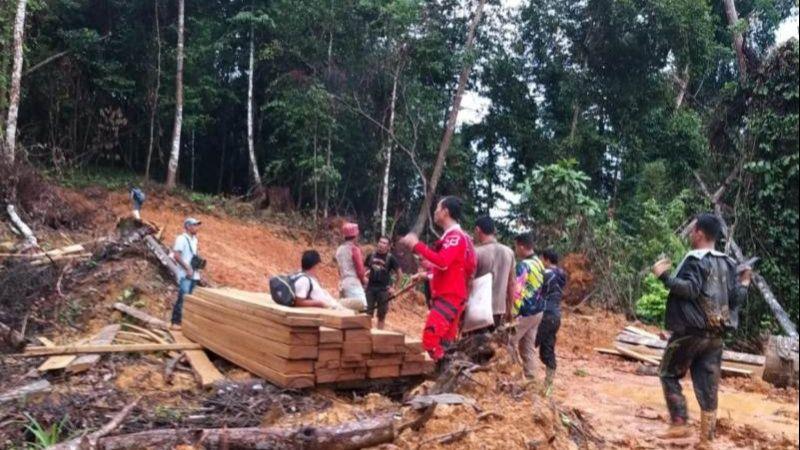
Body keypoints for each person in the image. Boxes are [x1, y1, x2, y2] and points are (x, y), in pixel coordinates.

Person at [651, 213, 751, 446]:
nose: (691, 234)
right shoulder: (729, 263)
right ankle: (706, 440)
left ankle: (679, 424)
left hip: (690, 331)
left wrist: (664, 276)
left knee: (668, 373)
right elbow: (736, 300)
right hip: (716, 336)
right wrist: (745, 282)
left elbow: (690, 290)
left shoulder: (696, 260)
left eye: (693, 230)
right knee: (708, 386)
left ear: (699, 233)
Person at [399, 196, 476, 362]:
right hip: (454, 295)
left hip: (449, 296)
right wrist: (427, 274)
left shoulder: (455, 237)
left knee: (430, 340)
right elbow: (461, 267)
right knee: (445, 342)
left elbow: (442, 262)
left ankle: (447, 372)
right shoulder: (460, 238)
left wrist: (416, 245)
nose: (435, 213)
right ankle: (447, 376)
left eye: (437, 209)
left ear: (445, 212)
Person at [509, 232, 546, 380]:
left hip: (525, 312)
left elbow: (517, 291)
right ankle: (531, 379)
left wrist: (512, 312)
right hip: (538, 311)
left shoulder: (524, 266)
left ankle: (513, 374)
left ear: (522, 246)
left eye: (516, 247)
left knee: (509, 342)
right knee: (527, 346)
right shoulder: (539, 262)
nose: (515, 250)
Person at [473, 215, 516, 327]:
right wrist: (510, 309)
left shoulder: (476, 252)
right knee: (492, 343)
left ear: (478, 230)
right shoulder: (509, 252)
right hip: (498, 311)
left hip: (477, 310)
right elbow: (511, 284)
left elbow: (468, 281)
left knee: (474, 343)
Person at [536, 249, 567, 392]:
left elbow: (536, 290)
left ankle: (527, 379)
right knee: (547, 349)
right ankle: (548, 385)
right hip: (556, 316)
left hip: (545, 314)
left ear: (546, 260)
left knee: (528, 344)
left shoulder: (546, 274)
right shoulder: (562, 274)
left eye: (542, 259)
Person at [364, 236, 403, 329]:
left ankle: (379, 337)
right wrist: (364, 281)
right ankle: (367, 336)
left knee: (381, 316)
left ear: (388, 246)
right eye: (380, 242)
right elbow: (364, 270)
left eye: (384, 243)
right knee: (367, 315)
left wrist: (394, 288)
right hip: (370, 289)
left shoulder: (391, 258)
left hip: (383, 291)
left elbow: (400, 274)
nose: (381, 244)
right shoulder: (371, 256)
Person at [170, 217, 203, 329]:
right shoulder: (181, 239)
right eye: (194, 225)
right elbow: (176, 255)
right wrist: (187, 267)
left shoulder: (195, 240)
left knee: (190, 299)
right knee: (183, 297)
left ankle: (184, 322)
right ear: (188, 226)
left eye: (197, 225)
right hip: (185, 274)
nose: (196, 227)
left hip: (194, 273)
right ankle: (176, 322)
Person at [335, 222, 368, 311]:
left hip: (343, 282)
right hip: (353, 282)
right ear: (356, 235)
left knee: (347, 309)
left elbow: (339, 269)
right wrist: (364, 280)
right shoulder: (354, 249)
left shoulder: (339, 250)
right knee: (363, 306)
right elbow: (360, 271)